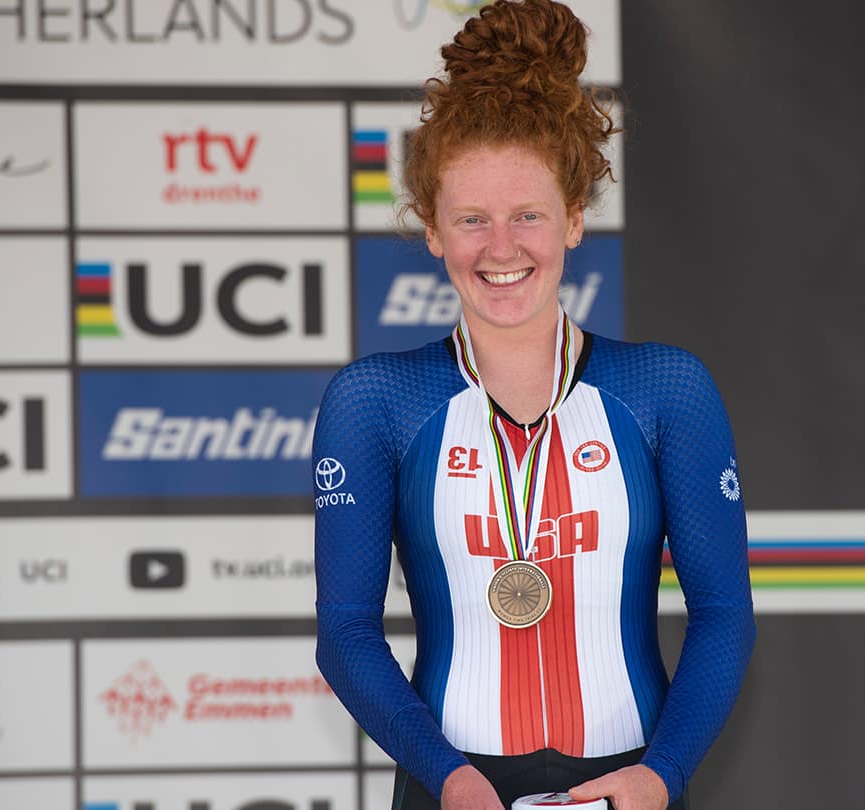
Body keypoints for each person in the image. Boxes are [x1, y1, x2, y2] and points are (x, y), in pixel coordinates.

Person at [313, 2, 755, 808]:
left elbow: (723, 612)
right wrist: (445, 777)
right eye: (471, 220)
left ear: (576, 220)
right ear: (433, 230)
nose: (502, 248)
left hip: (630, 789)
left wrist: (663, 774)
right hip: (455, 793)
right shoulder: (377, 400)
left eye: (528, 217)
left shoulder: (665, 390)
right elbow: (345, 634)